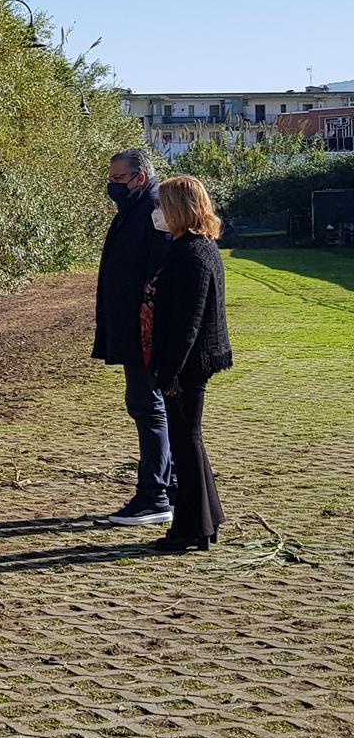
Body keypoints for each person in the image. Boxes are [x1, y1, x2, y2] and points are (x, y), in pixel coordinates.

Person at [146, 176, 232, 551]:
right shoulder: (195, 247)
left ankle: (190, 529)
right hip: (188, 360)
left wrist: (170, 372)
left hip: (187, 364)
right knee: (189, 440)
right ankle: (206, 518)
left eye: (162, 205)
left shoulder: (193, 253)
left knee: (186, 442)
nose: (158, 213)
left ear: (178, 209)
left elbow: (188, 321)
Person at [92, 149, 175, 525]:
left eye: (119, 179)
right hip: (134, 329)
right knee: (149, 406)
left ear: (139, 178)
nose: (112, 186)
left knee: (148, 407)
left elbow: (162, 272)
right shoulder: (137, 207)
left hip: (147, 332)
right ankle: (168, 486)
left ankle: (155, 496)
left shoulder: (155, 208)